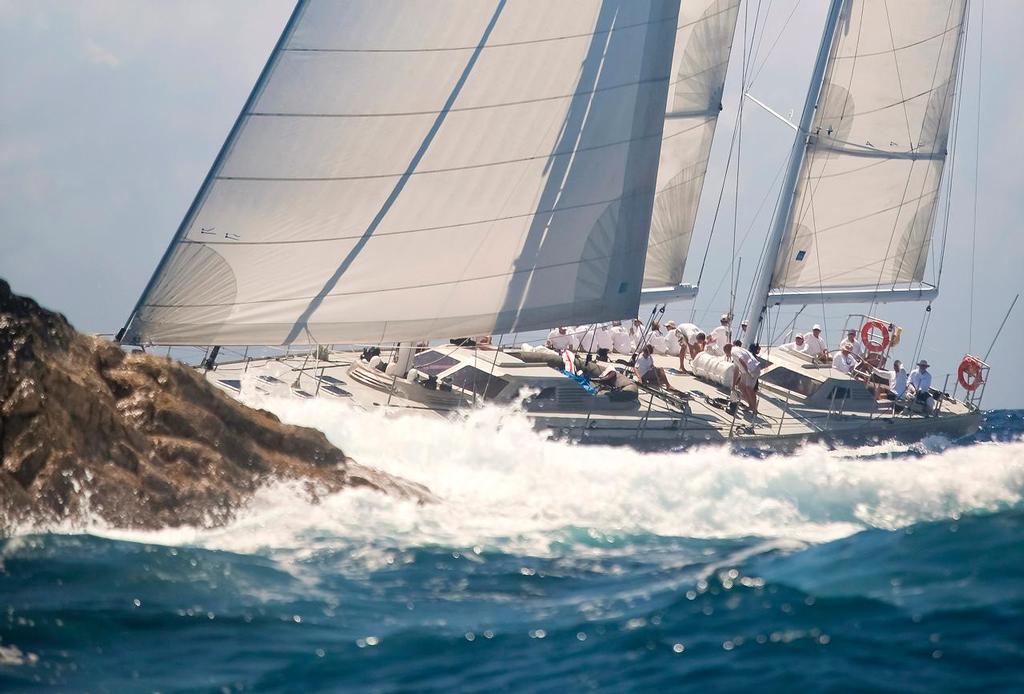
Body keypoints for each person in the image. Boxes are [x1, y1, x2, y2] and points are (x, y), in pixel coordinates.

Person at [730, 340, 761, 417]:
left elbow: (742, 360)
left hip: (751, 369)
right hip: (746, 370)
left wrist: (748, 372)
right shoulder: (737, 350)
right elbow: (736, 370)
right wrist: (733, 385)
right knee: (741, 386)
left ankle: (754, 409)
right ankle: (751, 405)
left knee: (748, 388)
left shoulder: (734, 352)